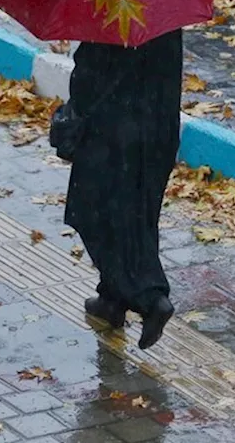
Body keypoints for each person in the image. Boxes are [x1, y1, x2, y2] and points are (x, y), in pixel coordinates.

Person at [61, 29, 182, 350]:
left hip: (114, 131)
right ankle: (111, 300)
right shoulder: (161, 8)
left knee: (92, 212)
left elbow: (92, 73)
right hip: (157, 129)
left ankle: (149, 298)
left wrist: (73, 114)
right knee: (138, 215)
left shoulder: (110, 6)